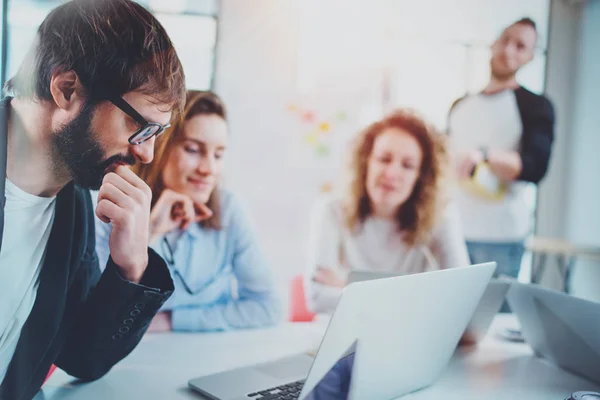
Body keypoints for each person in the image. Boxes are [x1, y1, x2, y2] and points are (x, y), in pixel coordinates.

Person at [0, 1, 185, 398]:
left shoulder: (74, 204)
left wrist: (131, 267)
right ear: (66, 89)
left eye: (158, 133)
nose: (147, 154)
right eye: (141, 126)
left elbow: (80, 357)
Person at [95, 91, 282, 332]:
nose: (209, 169)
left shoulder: (229, 209)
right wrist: (150, 234)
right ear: (159, 146)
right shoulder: (112, 206)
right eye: (193, 150)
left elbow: (269, 307)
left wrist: (172, 321)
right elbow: (99, 318)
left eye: (218, 154)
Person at [306, 109, 470, 314]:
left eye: (408, 166)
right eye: (384, 159)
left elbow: (464, 299)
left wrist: (347, 288)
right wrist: (417, 298)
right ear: (366, 162)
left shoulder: (441, 217)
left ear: (421, 177)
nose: (392, 173)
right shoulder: (331, 211)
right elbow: (318, 297)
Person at [447, 18, 555, 307]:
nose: (509, 50)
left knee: (490, 330)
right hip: (453, 232)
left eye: (520, 46)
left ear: (530, 57)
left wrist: (484, 154)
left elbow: (535, 167)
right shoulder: (460, 106)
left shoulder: (535, 106)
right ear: (493, 43)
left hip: (499, 239)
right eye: (505, 40)